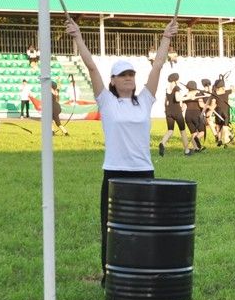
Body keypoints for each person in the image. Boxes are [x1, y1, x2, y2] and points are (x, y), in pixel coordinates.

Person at [65, 16, 178, 284]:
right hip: (114, 173)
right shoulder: (106, 101)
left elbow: (158, 65)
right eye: (123, 75)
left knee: (144, 228)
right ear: (113, 81)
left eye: (131, 74)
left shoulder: (145, 100)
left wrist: (165, 37)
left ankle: (142, 271)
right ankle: (111, 274)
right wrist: (78, 36)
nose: (129, 78)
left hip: (143, 171)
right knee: (112, 227)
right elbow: (91, 66)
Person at [159, 73, 191, 156]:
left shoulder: (167, 89)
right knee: (183, 131)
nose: (179, 81)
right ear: (175, 80)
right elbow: (177, 98)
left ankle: (162, 143)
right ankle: (187, 150)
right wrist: (188, 97)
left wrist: (166, 110)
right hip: (177, 112)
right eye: (178, 79)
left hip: (169, 112)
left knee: (170, 130)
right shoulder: (176, 88)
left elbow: (165, 101)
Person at [182, 80, 206, 152]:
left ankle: (196, 148)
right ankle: (197, 138)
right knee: (202, 132)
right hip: (197, 114)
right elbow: (201, 105)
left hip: (188, 115)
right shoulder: (198, 94)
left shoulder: (186, 95)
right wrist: (208, 106)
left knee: (193, 133)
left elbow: (183, 107)